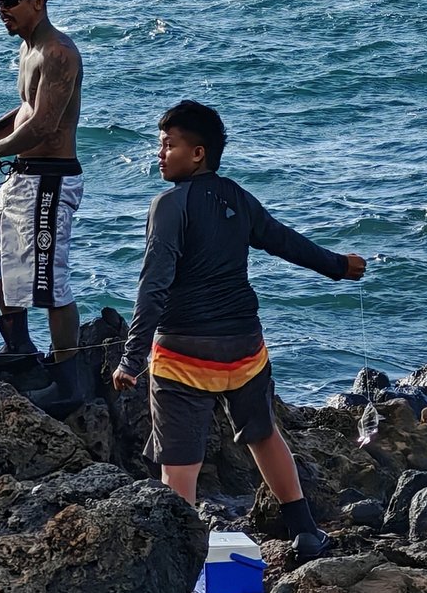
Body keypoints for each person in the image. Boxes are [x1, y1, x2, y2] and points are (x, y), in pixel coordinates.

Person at [112, 100, 366, 563]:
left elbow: (154, 284)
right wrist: (338, 266)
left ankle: (181, 566)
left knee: (180, 464)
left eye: (169, 146)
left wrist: (132, 358)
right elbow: (284, 240)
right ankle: (306, 533)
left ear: (198, 153)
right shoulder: (236, 196)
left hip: (185, 357)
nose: (160, 155)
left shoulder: (168, 205)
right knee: (264, 434)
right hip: (244, 350)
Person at [0, 0, 87, 415]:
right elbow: (29, 109)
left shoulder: (58, 53)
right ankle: (20, 348)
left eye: (9, 1)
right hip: (25, 175)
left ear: (38, 1)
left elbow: (48, 124)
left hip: (51, 178)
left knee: (49, 281)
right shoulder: (28, 50)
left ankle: (68, 382)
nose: (1, 10)